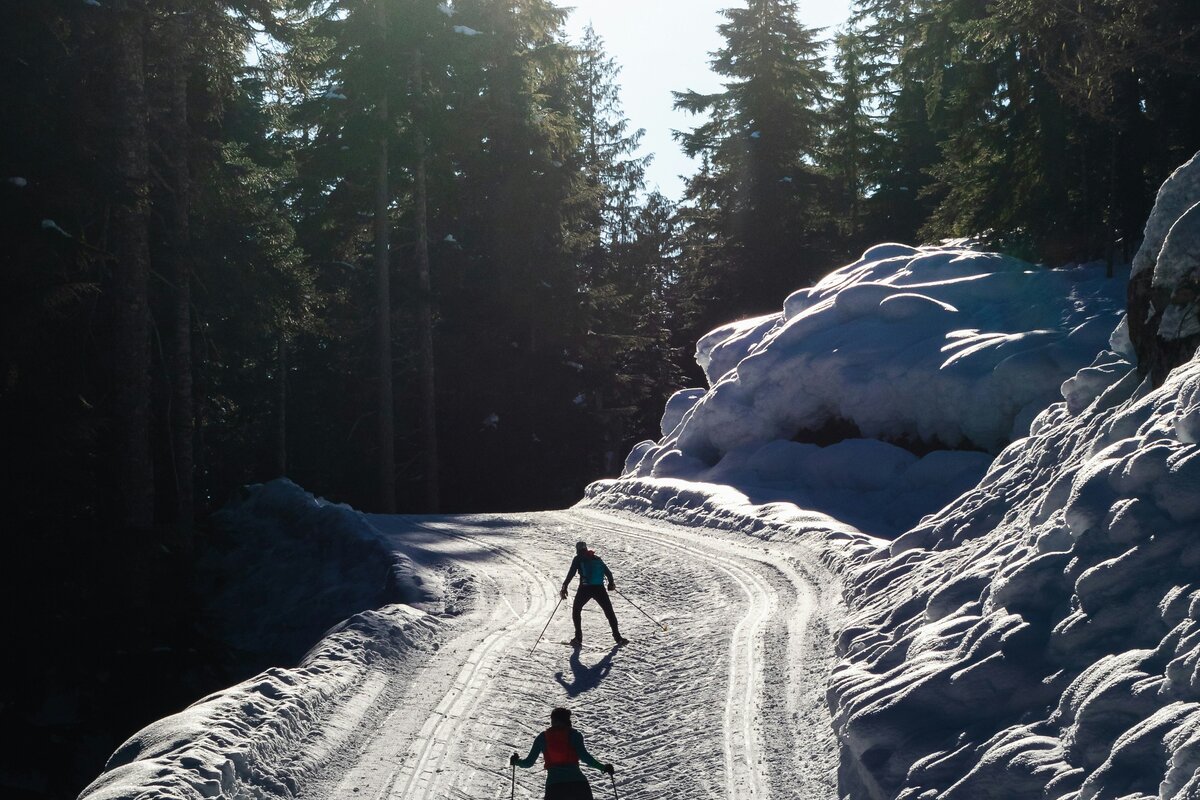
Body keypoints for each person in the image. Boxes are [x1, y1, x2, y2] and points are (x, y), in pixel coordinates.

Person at [510, 707, 614, 799]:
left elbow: (528, 763)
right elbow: (585, 758)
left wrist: (516, 762)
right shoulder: (574, 735)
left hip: (555, 787)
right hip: (578, 785)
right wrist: (603, 767)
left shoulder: (542, 737)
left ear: (553, 720)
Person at [560, 540, 627, 647]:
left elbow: (571, 574)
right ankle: (618, 638)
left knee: (576, 610)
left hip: (585, 588)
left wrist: (564, 587)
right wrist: (611, 584)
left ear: (577, 549)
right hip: (599, 588)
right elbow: (608, 573)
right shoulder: (596, 558)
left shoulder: (578, 559)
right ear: (586, 548)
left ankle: (578, 638)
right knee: (609, 612)